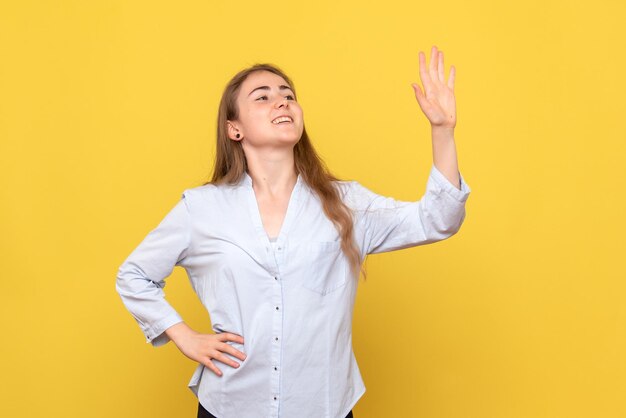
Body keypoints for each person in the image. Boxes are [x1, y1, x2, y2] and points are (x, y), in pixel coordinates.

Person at [116, 45, 471, 418]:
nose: (282, 103)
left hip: (323, 406)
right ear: (233, 128)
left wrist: (442, 131)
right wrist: (183, 335)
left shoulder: (346, 202)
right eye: (263, 97)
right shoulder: (201, 208)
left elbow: (438, 219)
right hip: (230, 404)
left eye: (288, 96)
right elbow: (134, 275)